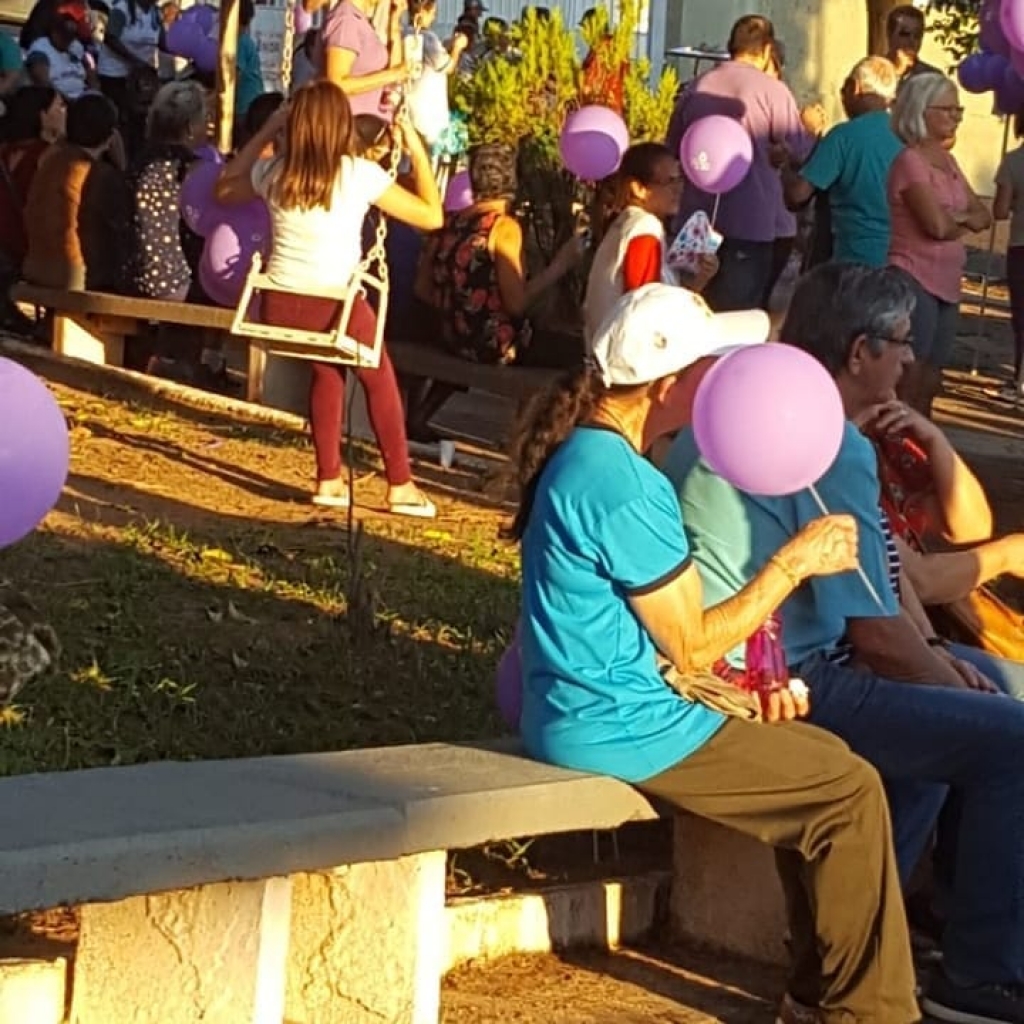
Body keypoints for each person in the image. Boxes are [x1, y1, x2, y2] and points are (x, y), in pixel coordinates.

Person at [513, 281, 918, 1024]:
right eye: (713, 364)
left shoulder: (596, 456)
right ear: (672, 384)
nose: (727, 377)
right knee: (848, 794)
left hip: (596, 707)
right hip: (618, 725)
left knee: (819, 764)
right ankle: (872, 1011)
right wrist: (794, 563)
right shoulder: (621, 482)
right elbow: (693, 641)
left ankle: (818, 994)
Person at [665, 261, 1024, 1024]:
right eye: (900, 344)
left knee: (934, 741)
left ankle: (838, 968)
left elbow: (899, 604)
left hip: (732, 661)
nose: (911, 361)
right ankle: (980, 977)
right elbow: (882, 638)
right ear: (859, 352)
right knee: (1008, 738)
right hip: (777, 677)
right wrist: (957, 682)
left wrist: (950, 673)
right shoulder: (828, 442)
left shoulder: (740, 401)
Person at [216, 79, 441, 516]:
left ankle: (328, 479)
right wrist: (413, 144)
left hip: (278, 307)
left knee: (329, 371)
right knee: (380, 377)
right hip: (332, 305)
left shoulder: (274, 171)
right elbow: (431, 216)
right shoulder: (358, 174)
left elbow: (224, 190)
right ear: (342, 126)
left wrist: (265, 132)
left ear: (294, 124)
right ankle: (401, 485)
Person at [406, 141, 584, 439]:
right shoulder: (502, 228)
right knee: (577, 355)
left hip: (450, 335)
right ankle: (532, 440)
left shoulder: (448, 223)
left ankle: (421, 415)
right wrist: (558, 267)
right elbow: (516, 305)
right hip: (494, 346)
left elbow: (422, 289)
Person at [665, 15, 814, 312]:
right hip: (751, 223)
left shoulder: (697, 86)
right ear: (767, 49)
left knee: (690, 309)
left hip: (697, 222)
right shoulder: (772, 90)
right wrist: (807, 130)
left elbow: (673, 147)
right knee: (737, 319)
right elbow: (801, 151)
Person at [887, 73, 990, 417]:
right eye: (948, 109)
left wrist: (953, 216)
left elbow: (983, 215)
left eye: (958, 110)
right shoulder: (910, 161)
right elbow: (936, 226)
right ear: (921, 112)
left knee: (932, 378)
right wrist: (958, 217)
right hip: (914, 274)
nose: (956, 117)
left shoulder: (948, 162)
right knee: (910, 375)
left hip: (948, 280)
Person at [584, 141, 717, 344]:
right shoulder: (644, 228)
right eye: (669, 182)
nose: (678, 189)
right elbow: (645, 307)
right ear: (639, 189)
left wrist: (699, 280)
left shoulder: (628, 223)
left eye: (680, 180)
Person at [783, 56, 902, 268]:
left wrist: (800, 147)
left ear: (853, 87)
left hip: (851, 261)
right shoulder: (906, 135)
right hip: (900, 261)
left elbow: (797, 196)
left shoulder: (843, 137)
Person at [23, 92, 130, 291]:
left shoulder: (49, 159)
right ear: (109, 136)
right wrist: (121, 164)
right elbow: (121, 228)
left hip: (35, 266)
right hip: (76, 276)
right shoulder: (98, 175)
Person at [124, 80, 206, 302]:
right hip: (175, 280)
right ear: (190, 127)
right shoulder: (188, 168)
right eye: (203, 121)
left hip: (131, 275)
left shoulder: (139, 160)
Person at [0, 86, 66, 331]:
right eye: (58, 107)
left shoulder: (5, 152)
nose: (64, 112)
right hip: (27, 249)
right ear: (42, 116)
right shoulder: (49, 157)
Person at [311, 0, 407, 118]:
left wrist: (394, 20)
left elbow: (393, 70)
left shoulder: (361, 20)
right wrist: (392, 75)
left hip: (368, 124)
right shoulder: (346, 20)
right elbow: (337, 83)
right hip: (349, 125)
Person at [96, 0, 162, 157]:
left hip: (139, 78)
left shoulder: (155, 14)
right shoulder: (122, 10)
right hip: (114, 75)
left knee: (139, 121)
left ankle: (135, 159)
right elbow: (110, 38)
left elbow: (163, 43)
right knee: (120, 121)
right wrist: (134, 60)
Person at [404, 0, 467, 154]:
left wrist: (447, 45)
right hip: (428, 115)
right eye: (432, 14)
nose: (433, 18)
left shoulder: (403, 33)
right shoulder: (428, 38)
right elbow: (447, 66)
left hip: (409, 107)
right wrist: (457, 47)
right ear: (422, 13)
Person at [994, 108, 1024, 403]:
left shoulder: (1013, 162)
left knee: (1021, 317)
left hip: (1021, 247)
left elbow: (1000, 211)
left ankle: (1020, 379)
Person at [26, 9, 99, 101]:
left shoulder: (75, 46)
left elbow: (90, 68)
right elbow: (43, 83)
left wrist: (94, 92)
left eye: (72, 36)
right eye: (65, 36)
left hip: (82, 97)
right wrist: (68, 101)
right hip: (58, 100)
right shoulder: (41, 48)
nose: (68, 40)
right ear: (54, 32)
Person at [884, 4, 941, 87]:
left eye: (917, 35)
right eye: (905, 33)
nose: (911, 41)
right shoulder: (869, 74)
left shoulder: (933, 80)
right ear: (889, 34)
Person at [234, 0, 265, 126]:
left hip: (245, 106)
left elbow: (234, 78)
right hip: (252, 102)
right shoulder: (245, 41)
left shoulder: (240, 43)